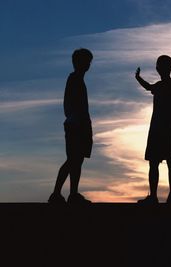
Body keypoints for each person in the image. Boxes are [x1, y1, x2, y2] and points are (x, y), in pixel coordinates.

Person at [48, 48, 93, 205]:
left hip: (80, 124)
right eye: (85, 61)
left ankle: (72, 193)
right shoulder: (74, 79)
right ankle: (57, 194)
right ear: (77, 62)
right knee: (72, 159)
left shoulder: (78, 80)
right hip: (76, 125)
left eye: (89, 62)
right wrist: (75, 119)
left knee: (77, 160)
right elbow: (70, 104)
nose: (88, 65)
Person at [135, 55, 171, 204]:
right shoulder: (161, 86)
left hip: (166, 128)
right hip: (157, 128)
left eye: (161, 65)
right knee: (155, 162)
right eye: (159, 65)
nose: (159, 68)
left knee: (169, 161)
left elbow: (150, 87)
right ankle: (154, 196)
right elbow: (149, 87)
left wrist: (139, 78)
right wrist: (138, 78)